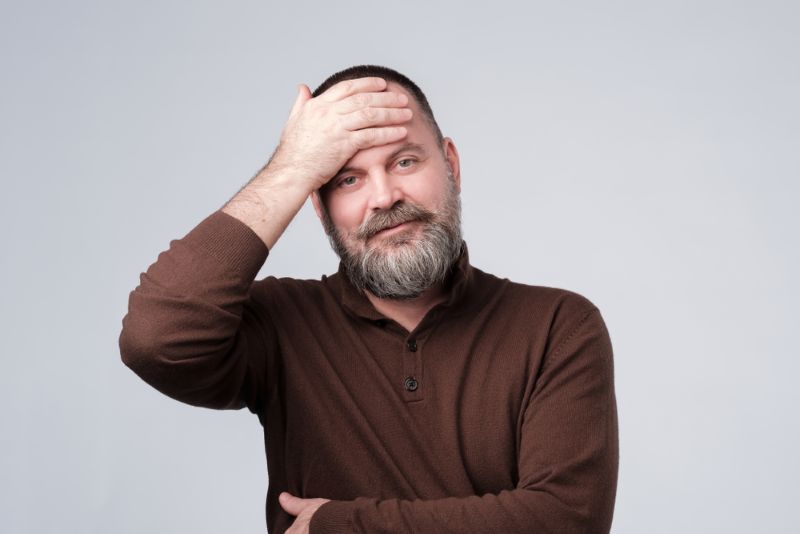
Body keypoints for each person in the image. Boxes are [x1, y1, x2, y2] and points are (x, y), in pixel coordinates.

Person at [119, 65, 619, 534]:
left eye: (404, 162)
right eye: (348, 179)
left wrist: (342, 525)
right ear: (320, 208)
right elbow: (155, 339)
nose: (383, 197)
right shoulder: (279, 325)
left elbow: (567, 519)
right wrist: (291, 169)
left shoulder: (557, 326)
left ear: (450, 164)